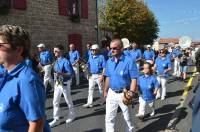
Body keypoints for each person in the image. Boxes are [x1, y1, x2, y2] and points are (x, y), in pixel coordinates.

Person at [0, 25, 50, 131]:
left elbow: (36, 124)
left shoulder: (27, 80)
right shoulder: (6, 74)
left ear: (18, 49)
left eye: (0, 45)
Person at [103, 39, 139, 132]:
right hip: (111, 93)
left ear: (122, 48)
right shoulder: (109, 61)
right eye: (111, 48)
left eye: (115, 48)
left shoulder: (129, 61)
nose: (112, 50)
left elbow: (134, 79)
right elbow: (107, 77)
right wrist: (105, 91)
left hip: (124, 93)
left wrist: (131, 92)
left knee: (127, 118)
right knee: (109, 118)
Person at [49, 44, 76, 127]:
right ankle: (56, 119)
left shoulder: (65, 61)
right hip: (58, 83)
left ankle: (72, 115)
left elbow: (72, 74)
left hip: (64, 83)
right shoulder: (56, 61)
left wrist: (62, 74)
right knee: (55, 101)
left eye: (56, 51)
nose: (54, 53)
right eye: (54, 51)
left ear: (61, 51)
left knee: (68, 100)